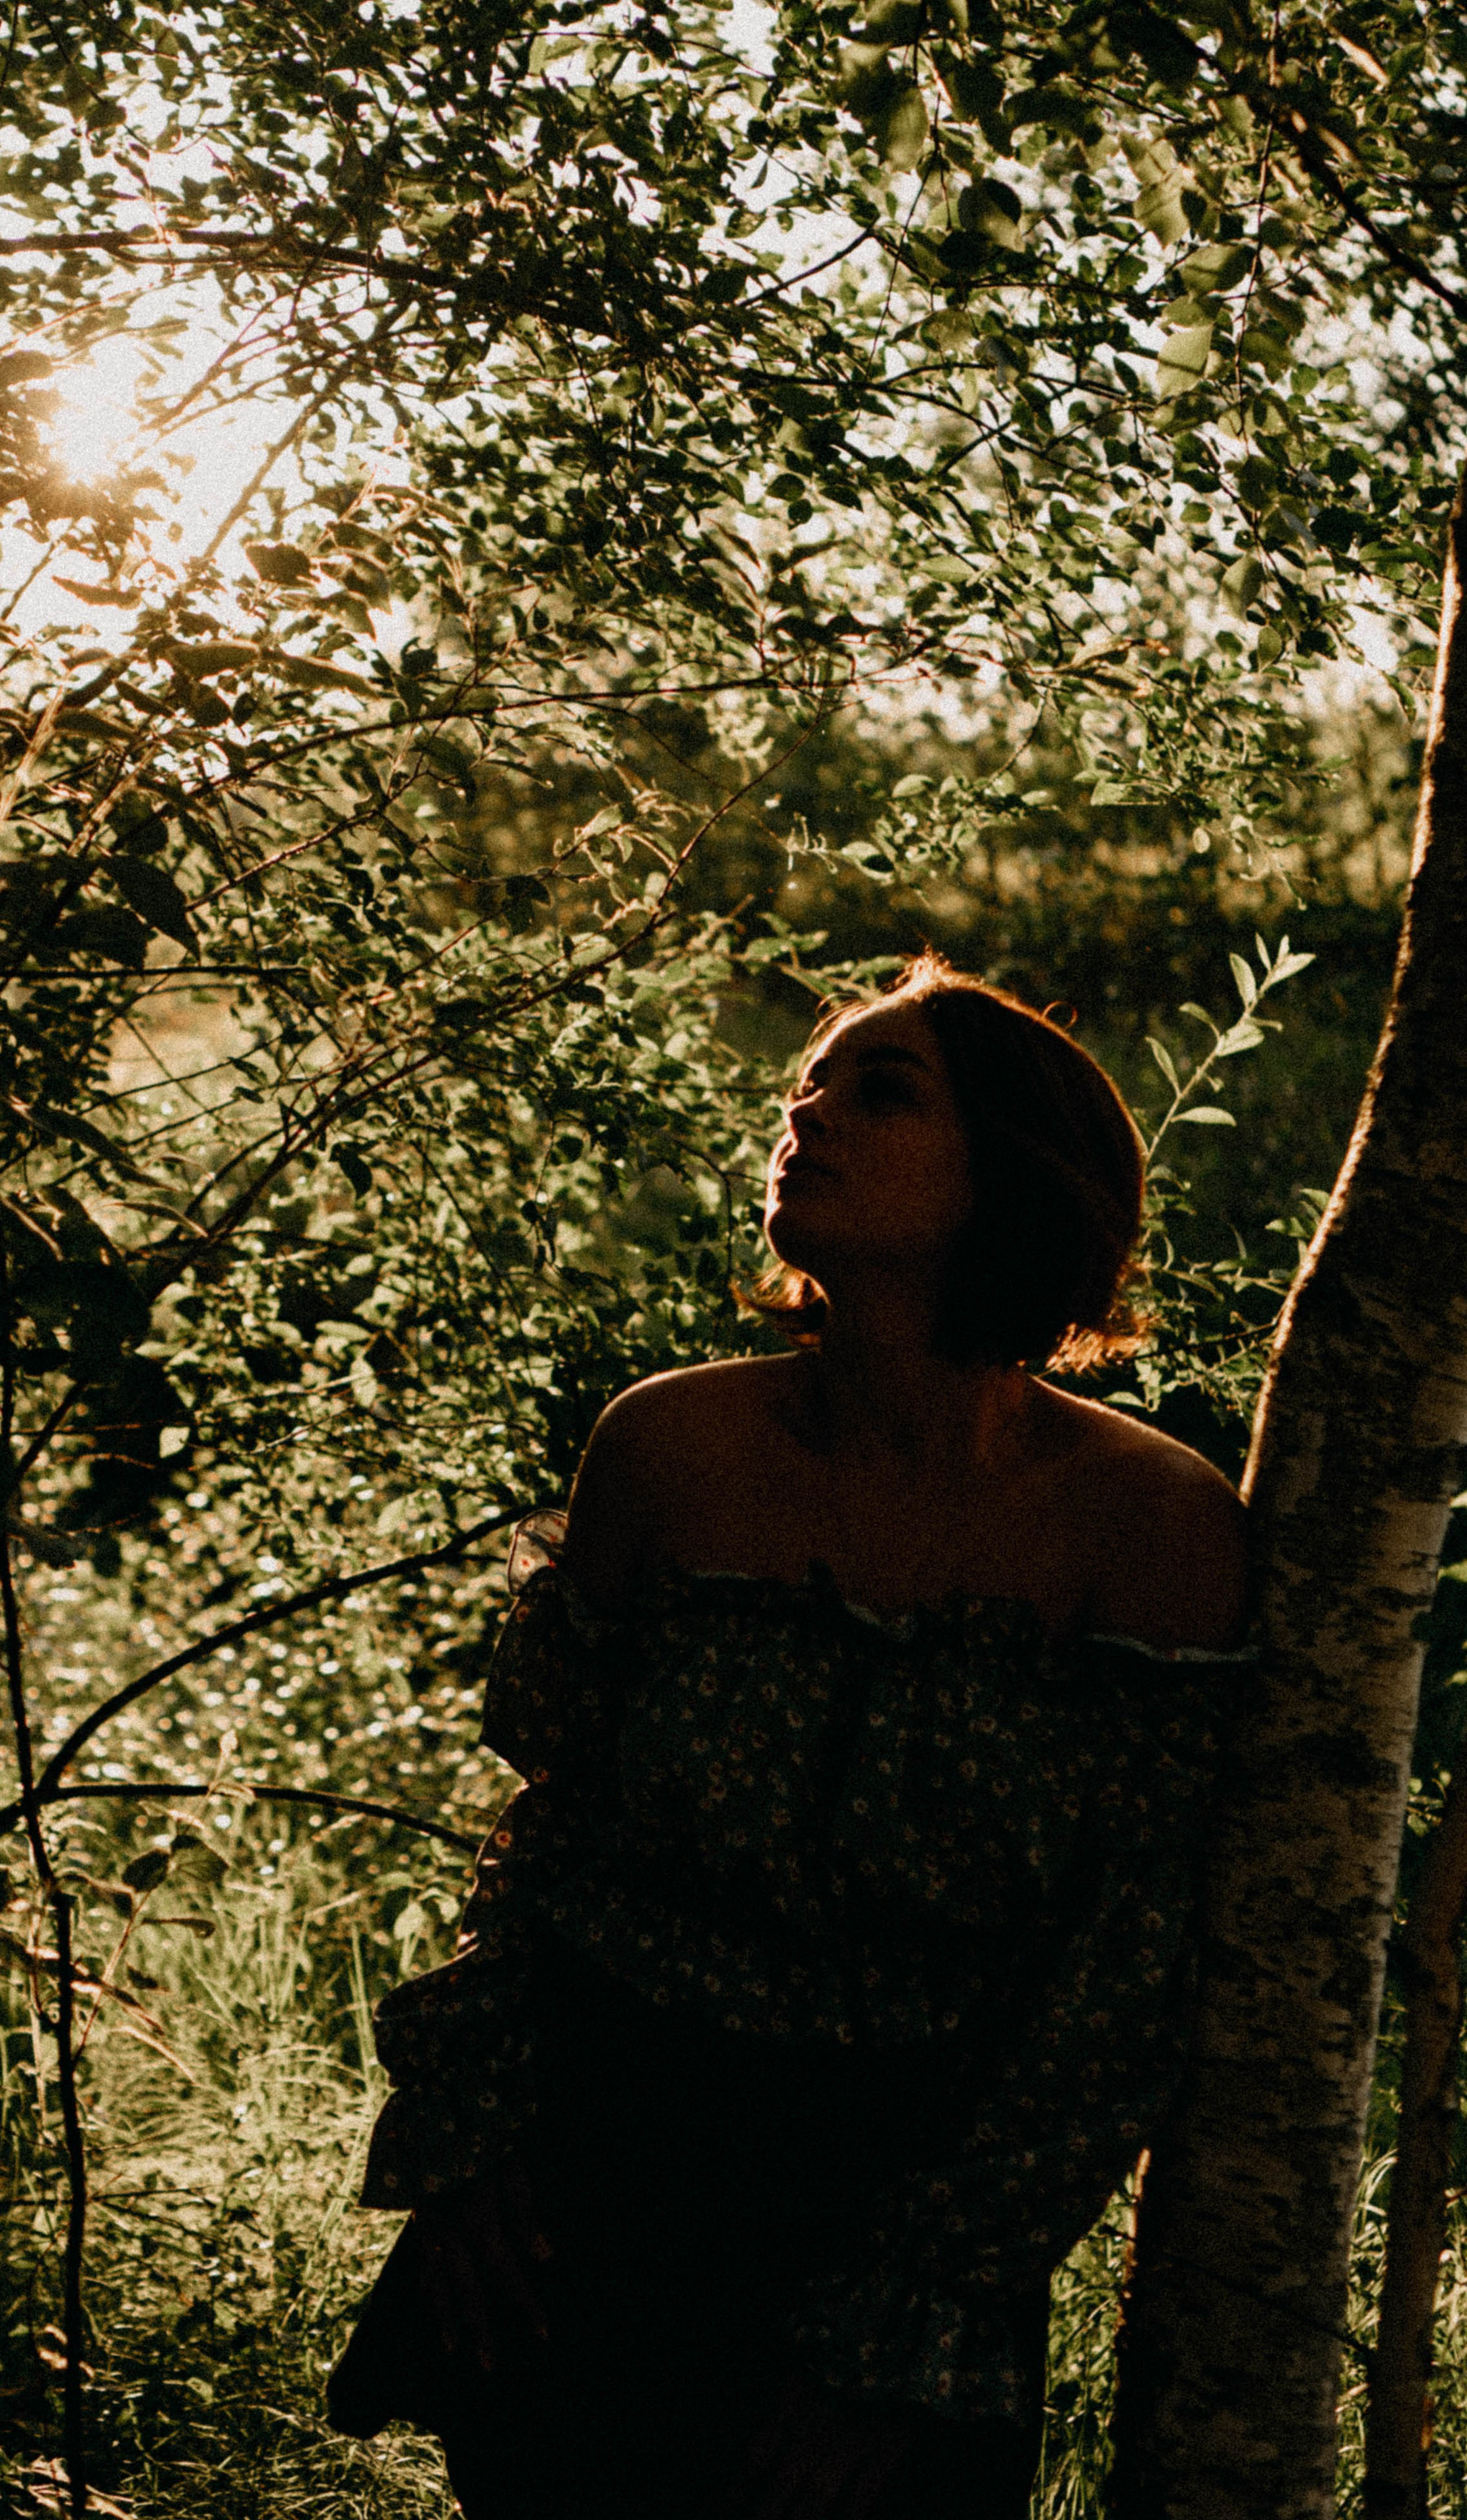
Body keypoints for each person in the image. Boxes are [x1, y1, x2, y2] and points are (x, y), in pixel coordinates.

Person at [326, 951, 1250, 2519]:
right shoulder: (669, 1446)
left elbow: (1127, 1968)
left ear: (1011, 1171)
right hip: (594, 2169)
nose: (805, 1110)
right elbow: (553, 1826)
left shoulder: (1148, 1526)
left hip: (905, 2196)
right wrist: (477, 2143)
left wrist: (915, 2315)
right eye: (806, 1082)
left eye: (877, 1090)